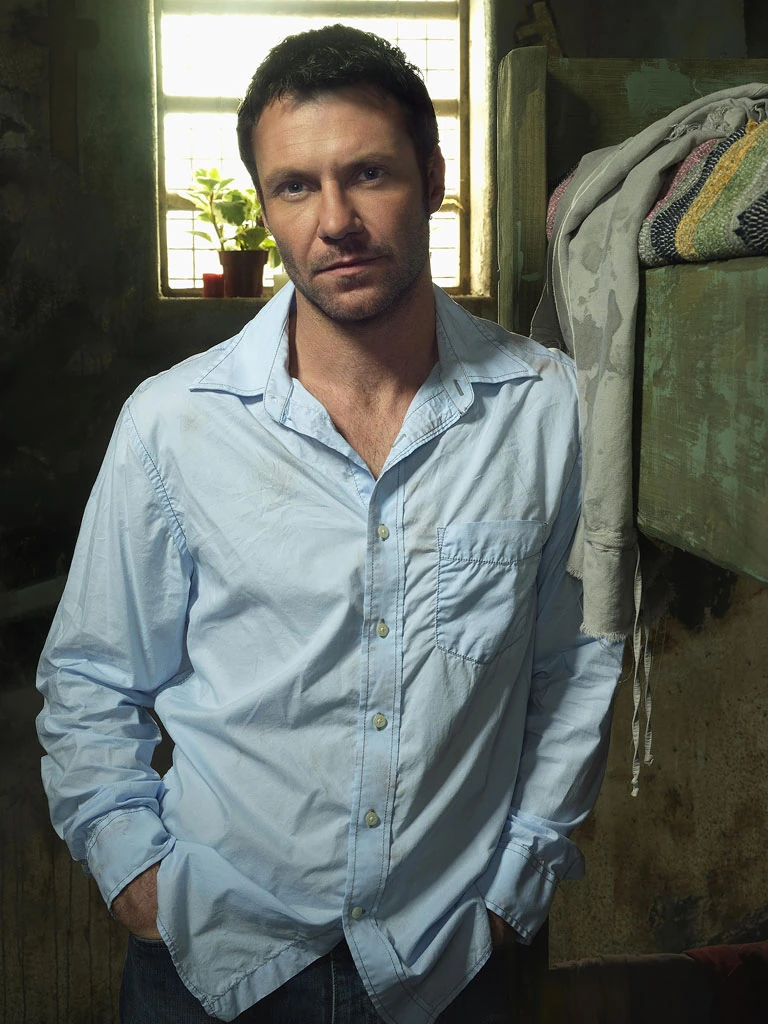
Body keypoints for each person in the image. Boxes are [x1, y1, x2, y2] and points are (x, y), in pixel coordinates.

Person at [36, 24, 623, 1024]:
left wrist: (517, 888)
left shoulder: (547, 408)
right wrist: (136, 874)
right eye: (295, 186)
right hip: (214, 961)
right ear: (265, 206)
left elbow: (576, 664)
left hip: (456, 961)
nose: (335, 221)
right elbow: (91, 677)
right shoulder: (173, 424)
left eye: (369, 174)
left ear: (433, 179)